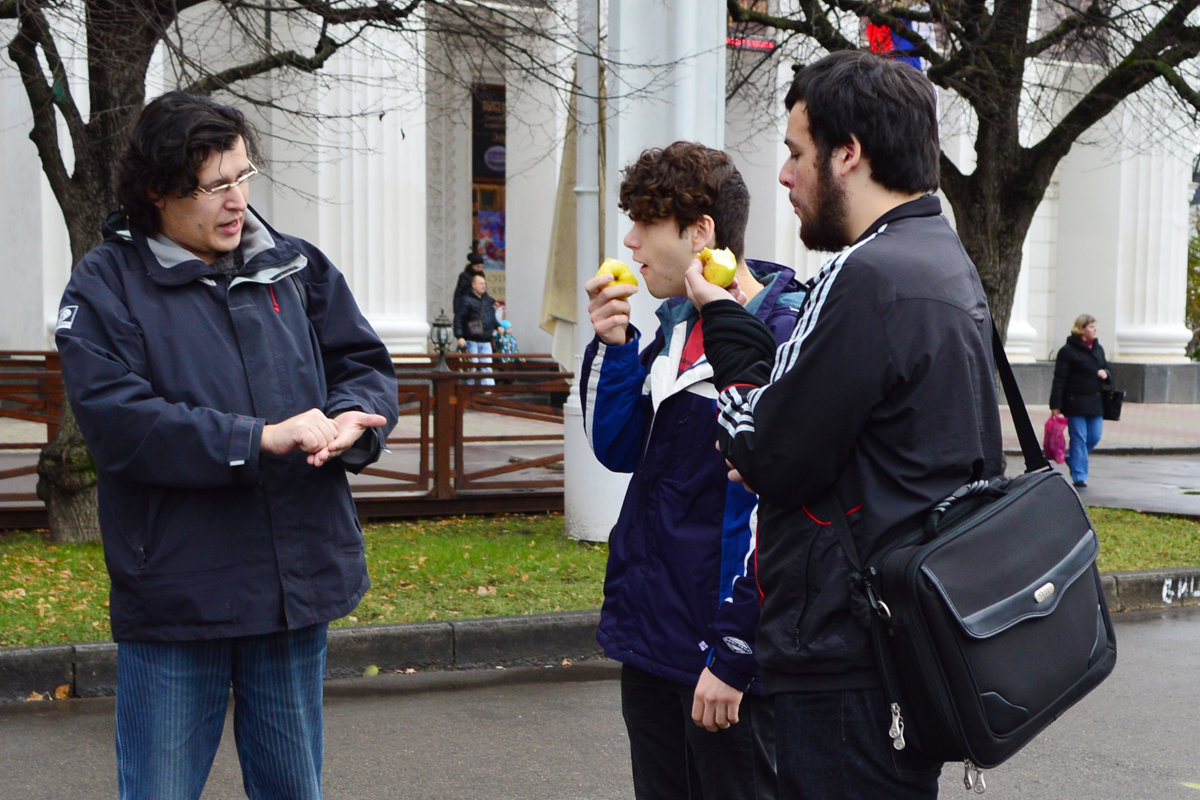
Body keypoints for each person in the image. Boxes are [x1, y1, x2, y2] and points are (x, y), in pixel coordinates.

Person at [53, 92, 399, 800]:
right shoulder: (105, 285)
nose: (237, 200)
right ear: (158, 190)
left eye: (244, 177)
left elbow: (361, 362)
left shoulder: (294, 265)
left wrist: (358, 417)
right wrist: (257, 438)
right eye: (215, 185)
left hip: (293, 590)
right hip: (180, 596)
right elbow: (119, 422)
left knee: (292, 790)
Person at [683, 52, 1003, 799]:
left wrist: (723, 323)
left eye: (796, 153)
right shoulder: (940, 260)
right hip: (900, 648)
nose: (786, 177)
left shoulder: (869, 275)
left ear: (848, 153)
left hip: (849, 657)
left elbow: (771, 455)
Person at [581, 140, 808, 800]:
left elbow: (783, 514)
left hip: (724, 654)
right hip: (653, 640)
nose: (630, 241)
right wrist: (615, 346)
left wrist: (737, 648)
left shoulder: (781, 336)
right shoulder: (676, 324)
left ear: (700, 232)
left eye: (646, 224)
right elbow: (619, 449)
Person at [1049, 314, 1110, 488]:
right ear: (1081, 329)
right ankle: (1079, 476)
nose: (1095, 330)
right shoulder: (1067, 351)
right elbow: (1059, 379)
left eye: (1095, 326)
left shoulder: (1098, 349)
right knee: (1079, 438)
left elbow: (1106, 368)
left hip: (1095, 402)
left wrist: (1106, 374)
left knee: (1094, 436)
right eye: (1091, 327)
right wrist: (1055, 404)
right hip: (1075, 403)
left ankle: (1073, 458)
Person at [454, 272, 499, 386]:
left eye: (484, 283)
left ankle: (488, 392)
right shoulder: (466, 300)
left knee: (487, 368)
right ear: (473, 285)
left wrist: (498, 326)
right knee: (471, 367)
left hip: (486, 339)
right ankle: (469, 392)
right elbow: (459, 318)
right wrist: (459, 336)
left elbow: (491, 317)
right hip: (471, 339)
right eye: (480, 283)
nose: (483, 286)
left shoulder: (488, 301)